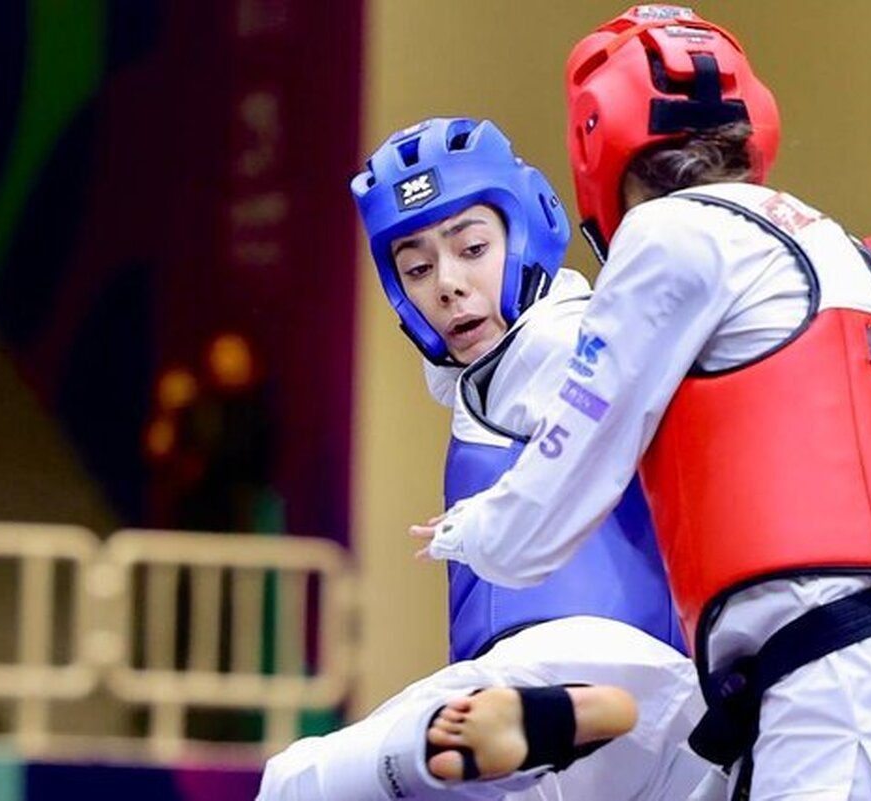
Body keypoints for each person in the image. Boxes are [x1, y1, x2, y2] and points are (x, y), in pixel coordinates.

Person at [412, 7, 871, 801]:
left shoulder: (670, 237)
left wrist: (467, 530)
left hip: (843, 715)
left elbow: (548, 508)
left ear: (597, 145)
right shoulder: (854, 253)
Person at [256, 116, 714, 801]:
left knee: (297, 785)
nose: (446, 283)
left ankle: (482, 730)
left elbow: (608, 377)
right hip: (667, 730)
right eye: (416, 268)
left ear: (532, 226)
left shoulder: (558, 342)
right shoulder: (511, 371)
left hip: (559, 677)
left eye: (472, 246)